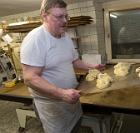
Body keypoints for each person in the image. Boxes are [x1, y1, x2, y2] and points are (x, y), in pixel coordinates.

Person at [20, 0, 105, 133]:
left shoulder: (64, 36)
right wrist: (61, 94)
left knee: (75, 127)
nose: (65, 21)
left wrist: (92, 67)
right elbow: (30, 78)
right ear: (44, 16)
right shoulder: (36, 40)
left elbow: (74, 60)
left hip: (71, 99)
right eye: (59, 16)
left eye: (66, 16)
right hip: (52, 106)